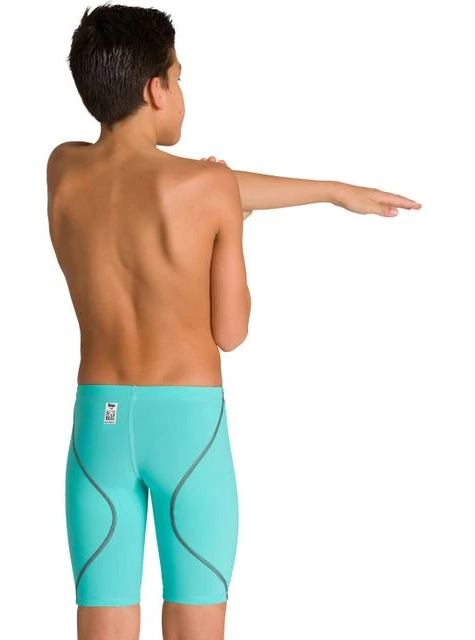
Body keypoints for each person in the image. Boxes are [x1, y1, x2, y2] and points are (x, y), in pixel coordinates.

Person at [46, 4, 422, 640]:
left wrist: (331, 190)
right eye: (178, 78)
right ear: (155, 89)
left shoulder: (63, 169)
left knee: (101, 617)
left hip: (98, 427)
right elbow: (231, 330)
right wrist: (232, 226)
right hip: (188, 430)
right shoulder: (207, 190)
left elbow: (164, 184)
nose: (181, 92)